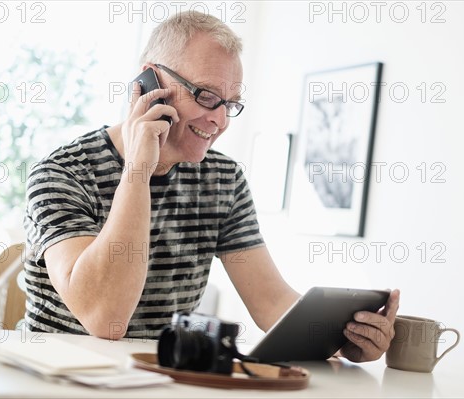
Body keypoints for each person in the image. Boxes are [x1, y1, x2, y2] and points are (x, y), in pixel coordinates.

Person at [24, 10, 400, 363]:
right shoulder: (62, 173)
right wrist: (139, 169)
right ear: (148, 82)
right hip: (60, 377)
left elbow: (270, 301)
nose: (219, 120)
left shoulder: (224, 179)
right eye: (205, 95)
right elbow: (105, 318)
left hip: (160, 380)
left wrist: (339, 339)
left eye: (230, 104)